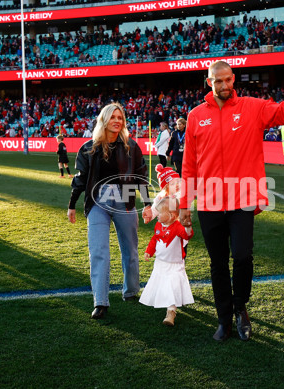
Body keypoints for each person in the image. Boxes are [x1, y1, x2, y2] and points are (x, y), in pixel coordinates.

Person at [179, 60, 284, 341]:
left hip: (243, 198)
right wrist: (184, 203)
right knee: (217, 263)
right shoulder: (195, 116)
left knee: (242, 255)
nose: (224, 86)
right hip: (210, 202)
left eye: (228, 80)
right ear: (208, 82)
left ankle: (240, 308)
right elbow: (189, 164)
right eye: (218, 81)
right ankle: (224, 319)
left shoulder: (253, 107)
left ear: (233, 78)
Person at [67, 103, 151, 320]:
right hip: (98, 200)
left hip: (125, 198)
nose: (117, 121)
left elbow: (141, 176)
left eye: (120, 117)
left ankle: (131, 291)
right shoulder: (89, 147)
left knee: (130, 250)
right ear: (103, 120)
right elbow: (80, 179)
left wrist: (148, 203)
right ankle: (100, 301)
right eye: (112, 117)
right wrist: (71, 205)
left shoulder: (131, 146)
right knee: (98, 251)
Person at [139, 197, 194, 327]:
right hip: (160, 263)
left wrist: (187, 226)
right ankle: (166, 302)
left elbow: (187, 235)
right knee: (163, 285)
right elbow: (155, 239)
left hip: (174, 265)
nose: (156, 215)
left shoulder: (178, 227)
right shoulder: (158, 225)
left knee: (172, 286)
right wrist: (149, 251)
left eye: (159, 213)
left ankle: (171, 312)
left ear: (170, 215)